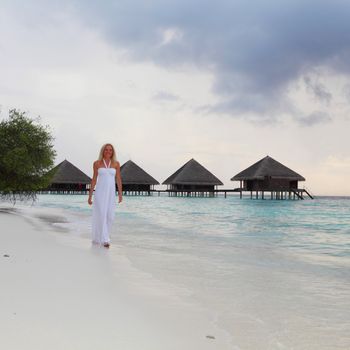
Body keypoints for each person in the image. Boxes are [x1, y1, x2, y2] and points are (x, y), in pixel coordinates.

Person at [88, 143, 123, 248]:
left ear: (113, 152)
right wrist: (90, 195)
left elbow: (118, 179)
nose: (108, 151)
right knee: (101, 214)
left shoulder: (116, 164)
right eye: (106, 150)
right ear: (103, 151)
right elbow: (94, 179)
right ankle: (105, 240)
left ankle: (100, 237)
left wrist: (120, 193)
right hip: (99, 192)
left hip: (111, 194)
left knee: (110, 216)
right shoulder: (97, 163)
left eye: (110, 150)